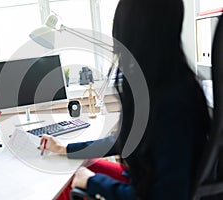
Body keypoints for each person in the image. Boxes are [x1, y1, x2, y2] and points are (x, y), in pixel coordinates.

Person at [40, 0, 210, 199]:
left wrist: (93, 182)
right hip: (142, 181)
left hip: (144, 189)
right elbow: (124, 141)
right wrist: (65, 148)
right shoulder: (163, 85)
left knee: (73, 179)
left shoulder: (171, 103)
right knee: (73, 171)